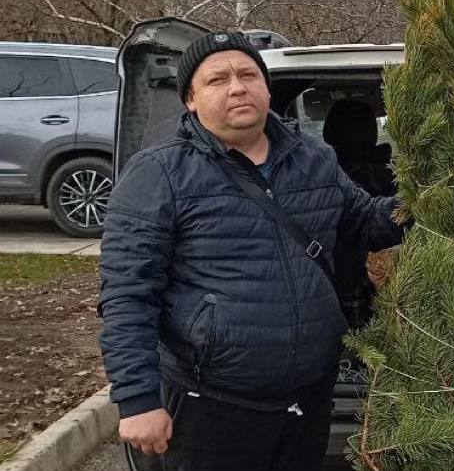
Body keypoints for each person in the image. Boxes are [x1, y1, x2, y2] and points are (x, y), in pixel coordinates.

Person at [99, 31, 403, 470]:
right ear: (190, 99)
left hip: (307, 399)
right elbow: (127, 295)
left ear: (265, 87)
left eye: (247, 74)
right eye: (217, 80)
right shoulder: (159, 173)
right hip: (211, 407)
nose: (237, 87)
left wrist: (419, 204)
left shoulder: (313, 158)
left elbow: (364, 221)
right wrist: (137, 399)